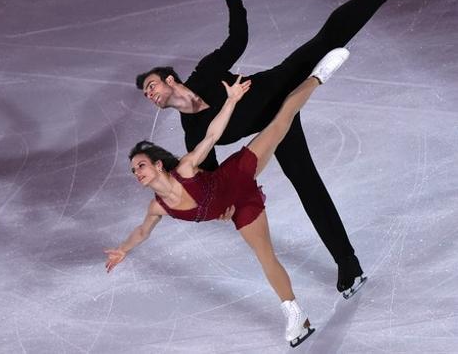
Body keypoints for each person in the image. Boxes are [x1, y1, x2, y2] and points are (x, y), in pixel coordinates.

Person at [135, 0, 420, 298]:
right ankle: (348, 264)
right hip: (277, 127)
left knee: (326, 41)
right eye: (146, 94)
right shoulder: (194, 133)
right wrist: (224, 205)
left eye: (152, 85)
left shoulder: (205, 73)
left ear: (170, 80)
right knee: (307, 184)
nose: (150, 93)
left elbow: (237, 40)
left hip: (280, 81)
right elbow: (212, 181)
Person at [106, 48, 349, 347]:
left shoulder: (185, 167)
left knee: (280, 121)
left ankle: (318, 77)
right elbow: (143, 231)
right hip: (240, 207)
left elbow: (211, 135)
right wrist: (123, 249)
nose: (137, 172)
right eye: (133, 171)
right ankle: (295, 314)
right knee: (266, 257)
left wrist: (232, 101)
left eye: (140, 165)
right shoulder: (159, 206)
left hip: (239, 172)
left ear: (157, 165)